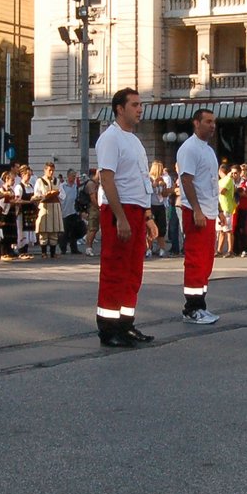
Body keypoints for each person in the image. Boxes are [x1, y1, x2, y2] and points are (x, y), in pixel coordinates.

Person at [95, 87, 156, 348]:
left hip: (137, 210)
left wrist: (148, 217)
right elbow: (107, 179)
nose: (140, 109)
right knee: (115, 270)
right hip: (119, 210)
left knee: (133, 272)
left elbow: (141, 181)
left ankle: (125, 324)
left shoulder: (134, 139)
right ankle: (108, 329)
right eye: (134, 105)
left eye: (140, 104)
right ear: (120, 108)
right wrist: (120, 218)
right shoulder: (111, 138)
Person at [176, 107, 221, 324]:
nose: (212, 125)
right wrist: (197, 210)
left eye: (213, 122)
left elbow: (211, 183)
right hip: (197, 211)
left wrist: (216, 210)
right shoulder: (190, 148)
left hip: (209, 211)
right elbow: (186, 180)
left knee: (206, 261)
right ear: (196, 123)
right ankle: (192, 308)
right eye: (208, 121)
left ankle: (201, 303)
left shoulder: (208, 150)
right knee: (195, 260)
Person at [34, 161, 65, 258]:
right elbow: (36, 195)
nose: (51, 172)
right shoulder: (40, 181)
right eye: (49, 170)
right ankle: (43, 252)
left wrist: (57, 193)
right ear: (45, 170)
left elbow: (63, 195)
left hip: (55, 207)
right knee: (44, 230)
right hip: (45, 206)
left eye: (53, 170)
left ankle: (53, 252)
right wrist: (45, 195)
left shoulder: (57, 181)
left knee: (54, 230)